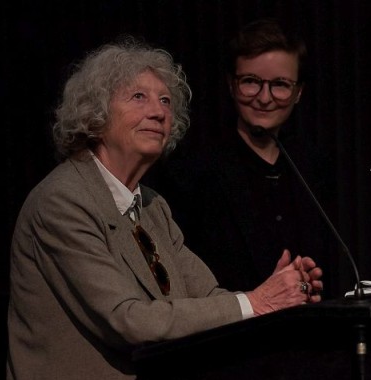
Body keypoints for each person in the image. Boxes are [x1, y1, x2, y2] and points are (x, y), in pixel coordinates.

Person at [0, 36, 324, 380]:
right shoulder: (62, 202)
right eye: (138, 97)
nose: (159, 111)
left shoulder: (151, 206)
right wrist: (256, 302)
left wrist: (280, 297)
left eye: (166, 101)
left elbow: (209, 297)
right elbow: (130, 320)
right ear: (94, 113)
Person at [145, 18, 340, 298]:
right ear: (231, 85)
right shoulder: (192, 168)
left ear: (299, 93)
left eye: (280, 85)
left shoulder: (313, 164)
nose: (264, 97)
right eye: (251, 82)